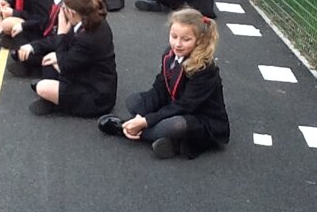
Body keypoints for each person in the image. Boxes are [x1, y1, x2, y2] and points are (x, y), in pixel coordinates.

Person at [98, 8, 230, 159]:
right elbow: (159, 89)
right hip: (173, 105)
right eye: (174, 36)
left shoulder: (204, 68)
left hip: (199, 118)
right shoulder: (170, 54)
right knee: (134, 101)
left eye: (186, 39)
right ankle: (162, 138)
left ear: (199, 40)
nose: (177, 44)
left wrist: (146, 121)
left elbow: (185, 106)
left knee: (175, 125)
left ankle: (124, 128)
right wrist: (142, 115)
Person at [29, 0, 117, 117]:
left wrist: (61, 33)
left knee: (43, 87)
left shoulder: (87, 37)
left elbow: (64, 67)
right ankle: (57, 97)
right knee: (50, 60)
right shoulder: (93, 21)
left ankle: (58, 102)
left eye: (63, 7)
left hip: (96, 97)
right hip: (89, 75)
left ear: (71, 12)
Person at [8, 0, 87, 77]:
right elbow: (46, 21)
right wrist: (24, 26)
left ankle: (37, 68)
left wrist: (34, 46)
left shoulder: (70, 5)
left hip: (61, 44)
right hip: (50, 37)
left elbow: (62, 38)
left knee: (29, 54)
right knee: (20, 35)